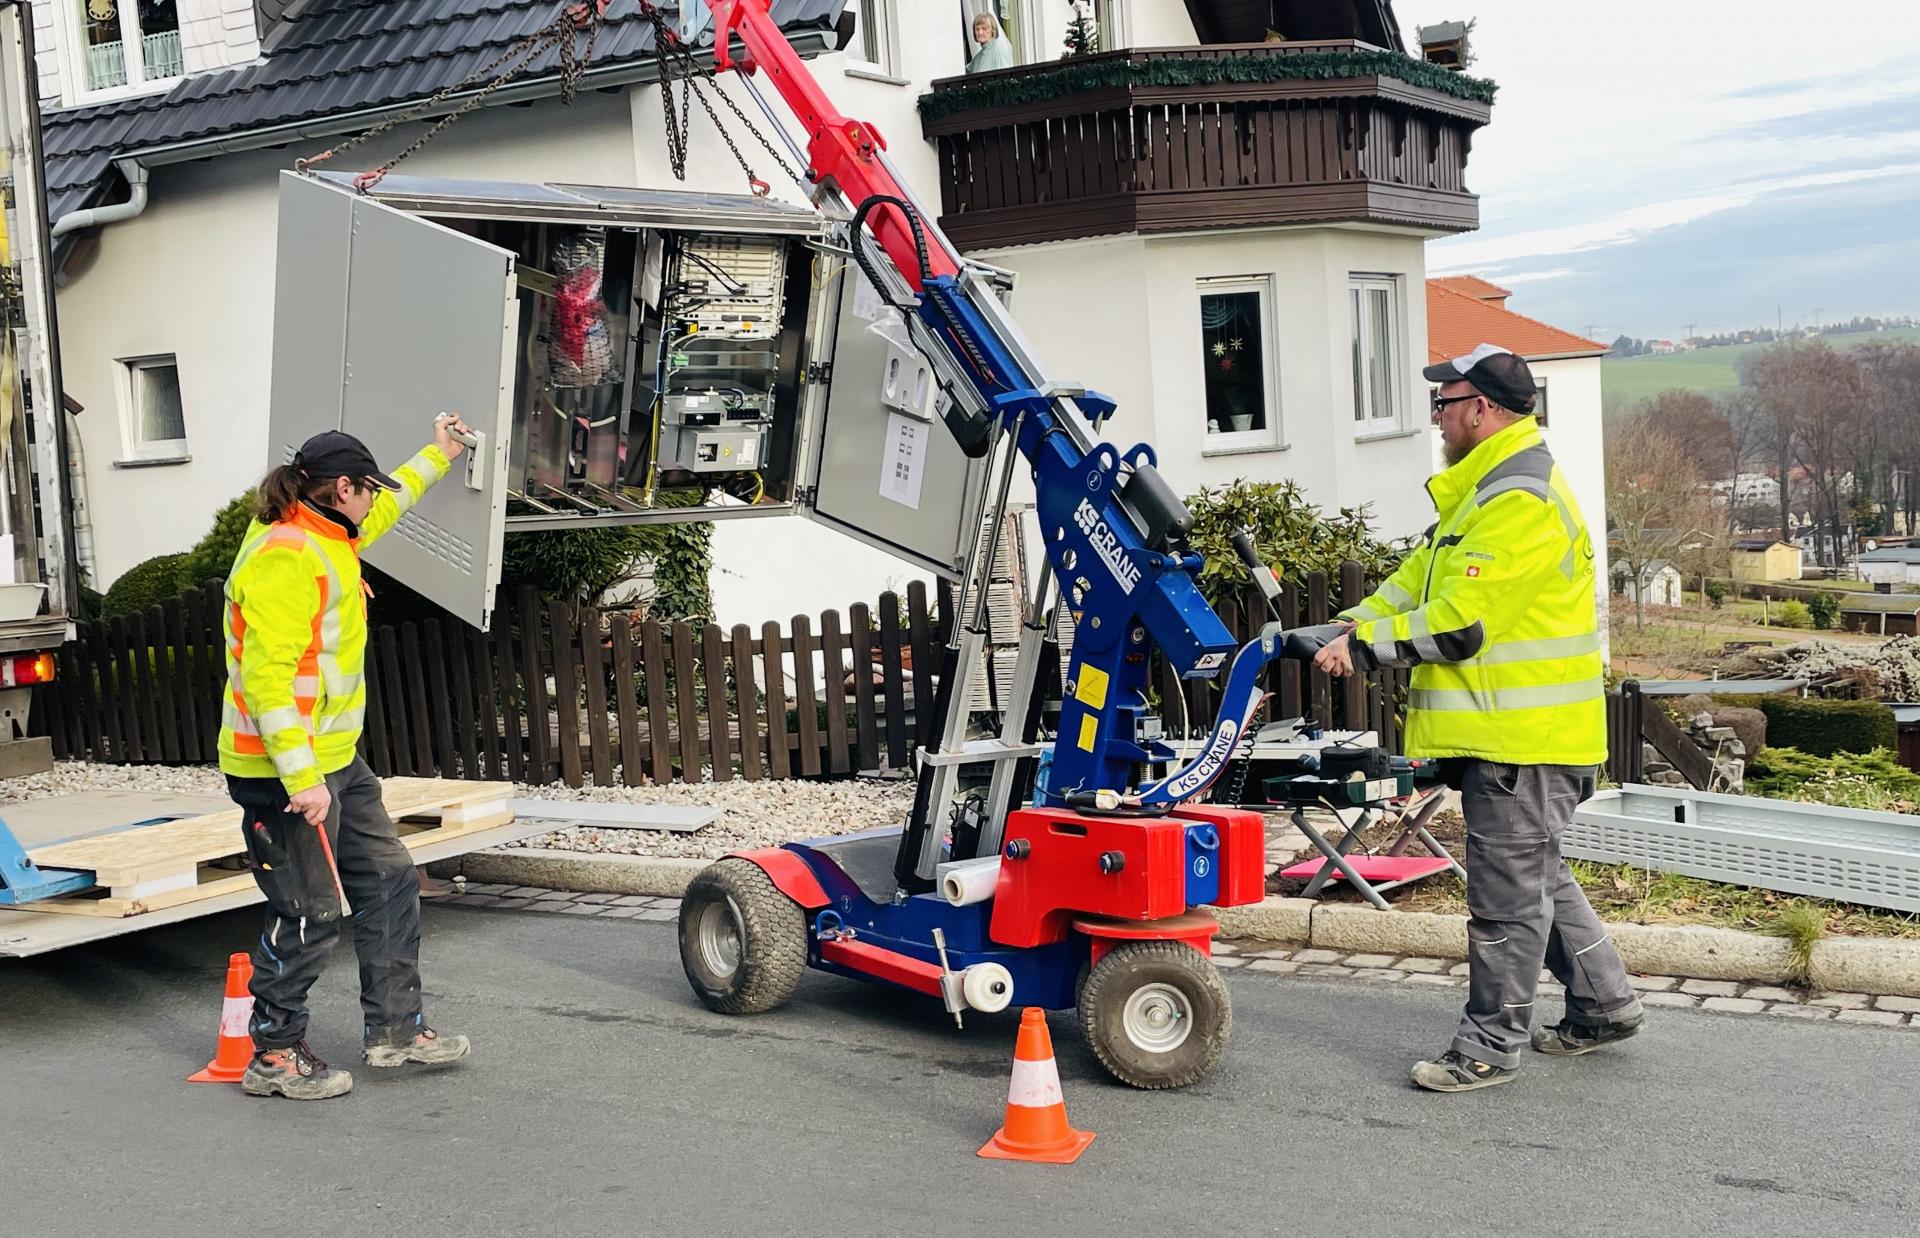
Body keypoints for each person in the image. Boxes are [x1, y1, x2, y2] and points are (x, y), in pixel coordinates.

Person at [1313, 344, 1643, 1093]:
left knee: (1504, 902)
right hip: (1517, 738)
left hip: (1520, 742)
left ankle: (1489, 1046)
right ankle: (1604, 1004)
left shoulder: (1517, 504)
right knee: (1538, 880)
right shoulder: (1483, 496)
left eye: (1444, 404)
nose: (1437, 417)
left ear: (1482, 411)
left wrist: (1363, 649)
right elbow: (1412, 587)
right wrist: (1343, 626)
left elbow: (1460, 625)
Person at [221, 416, 475, 1100]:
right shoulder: (284, 555)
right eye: (368, 489)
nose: (376, 499)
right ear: (342, 488)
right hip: (282, 772)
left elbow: (394, 503)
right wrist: (301, 779)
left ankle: (395, 1029)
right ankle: (272, 1056)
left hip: (338, 760)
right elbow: (266, 678)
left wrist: (440, 454)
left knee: (391, 881)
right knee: (309, 912)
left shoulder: (334, 532)